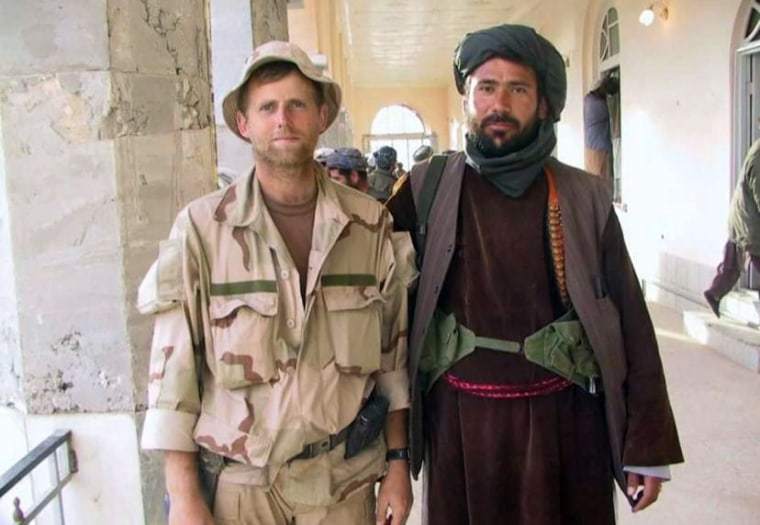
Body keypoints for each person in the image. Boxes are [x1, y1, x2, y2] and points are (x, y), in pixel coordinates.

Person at [386, 24, 683, 524]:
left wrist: (647, 443)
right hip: (461, 431)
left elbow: (631, 320)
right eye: (485, 87)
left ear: (544, 104)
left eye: (517, 88)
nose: (499, 102)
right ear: (466, 99)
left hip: (566, 428)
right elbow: (364, 281)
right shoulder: (424, 189)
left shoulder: (584, 197)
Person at [137, 40, 417, 525]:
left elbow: (393, 361)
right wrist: (183, 496)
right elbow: (172, 375)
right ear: (245, 124)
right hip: (241, 490)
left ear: (321, 116)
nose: (282, 119)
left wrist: (397, 464)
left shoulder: (369, 226)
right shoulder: (203, 230)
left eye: (297, 105)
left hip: (341, 485)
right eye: (267, 107)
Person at [704, 138, 760, 316]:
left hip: (741, 220)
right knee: (734, 260)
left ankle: (714, 293)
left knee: (731, 264)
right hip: (749, 226)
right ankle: (714, 293)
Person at [583, 74, 619, 180]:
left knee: (595, 177)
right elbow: (610, 112)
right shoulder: (598, 104)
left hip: (592, 146)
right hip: (598, 148)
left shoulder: (588, 99)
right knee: (600, 179)